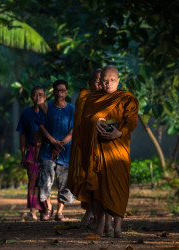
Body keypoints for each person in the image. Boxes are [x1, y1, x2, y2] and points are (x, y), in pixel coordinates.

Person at [70, 65, 138, 237]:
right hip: (97, 152)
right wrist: (95, 122)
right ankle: (100, 226)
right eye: (105, 81)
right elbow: (82, 123)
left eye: (112, 80)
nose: (108, 84)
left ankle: (118, 227)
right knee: (98, 190)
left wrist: (118, 132)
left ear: (118, 81)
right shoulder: (92, 99)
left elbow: (131, 122)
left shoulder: (127, 98)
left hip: (118, 151)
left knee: (119, 187)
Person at [68, 69, 102, 227]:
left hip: (102, 145)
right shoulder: (83, 96)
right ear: (90, 82)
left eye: (101, 80)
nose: (98, 83)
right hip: (84, 145)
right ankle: (89, 211)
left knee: (101, 181)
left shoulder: (110, 97)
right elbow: (79, 122)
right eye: (95, 80)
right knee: (86, 179)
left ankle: (101, 215)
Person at [37, 79, 75, 221]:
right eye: (57, 90)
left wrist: (60, 144)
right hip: (47, 150)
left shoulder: (72, 109)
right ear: (54, 91)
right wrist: (53, 142)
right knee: (46, 180)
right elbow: (41, 126)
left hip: (65, 151)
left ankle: (60, 211)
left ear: (66, 92)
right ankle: (48, 208)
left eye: (63, 90)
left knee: (64, 182)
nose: (60, 93)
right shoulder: (46, 107)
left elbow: (73, 129)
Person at [16, 86, 47, 221]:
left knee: (45, 181)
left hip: (46, 151)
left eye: (41, 95)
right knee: (32, 181)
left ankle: (46, 210)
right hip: (32, 152)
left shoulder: (49, 113)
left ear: (45, 97)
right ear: (31, 98)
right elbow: (22, 134)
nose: (38, 97)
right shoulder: (26, 114)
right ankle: (33, 211)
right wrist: (23, 154)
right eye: (35, 95)